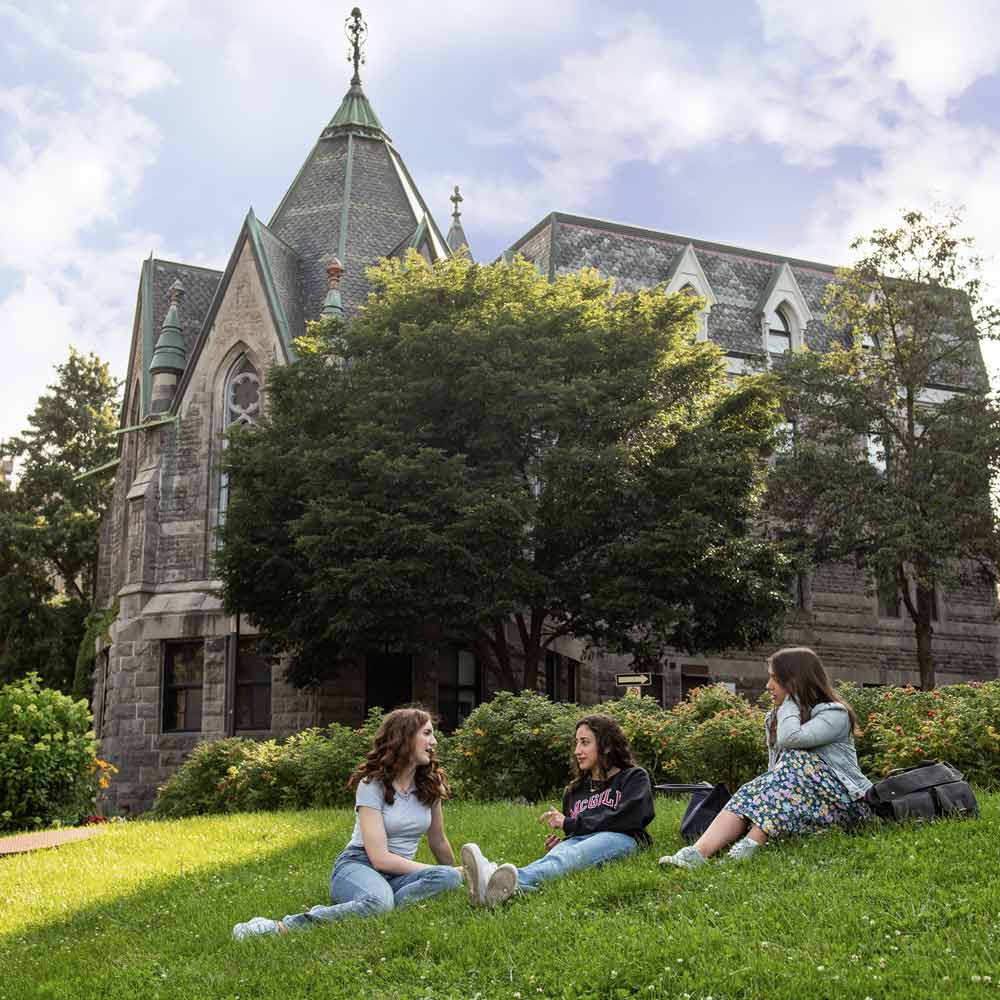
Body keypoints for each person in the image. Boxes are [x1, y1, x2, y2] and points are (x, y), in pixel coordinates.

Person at [233, 707, 462, 939]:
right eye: (427, 733)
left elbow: (438, 840)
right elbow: (379, 858)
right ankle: (280, 927)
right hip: (358, 865)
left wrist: (457, 873)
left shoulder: (430, 786)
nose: (434, 741)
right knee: (380, 903)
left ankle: (364, 906)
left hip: (398, 873)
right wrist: (435, 870)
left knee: (449, 878)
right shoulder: (372, 785)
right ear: (404, 737)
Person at [660, 646, 872, 870]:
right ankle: (697, 853)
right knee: (753, 788)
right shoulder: (777, 717)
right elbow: (776, 774)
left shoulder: (834, 714)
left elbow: (791, 739)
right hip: (799, 806)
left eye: (775, 679)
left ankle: (748, 847)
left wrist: (791, 700)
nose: (768, 686)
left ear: (794, 682)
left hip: (847, 804)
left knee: (798, 760)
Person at [461, 714, 655, 907]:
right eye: (576, 743)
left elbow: (630, 818)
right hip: (583, 843)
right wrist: (563, 840)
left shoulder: (633, 777)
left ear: (606, 746)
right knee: (559, 856)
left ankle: (496, 879)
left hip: (623, 838)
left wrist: (568, 824)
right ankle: (497, 891)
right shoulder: (574, 791)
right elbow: (579, 831)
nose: (577, 751)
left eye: (585, 742)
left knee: (569, 856)